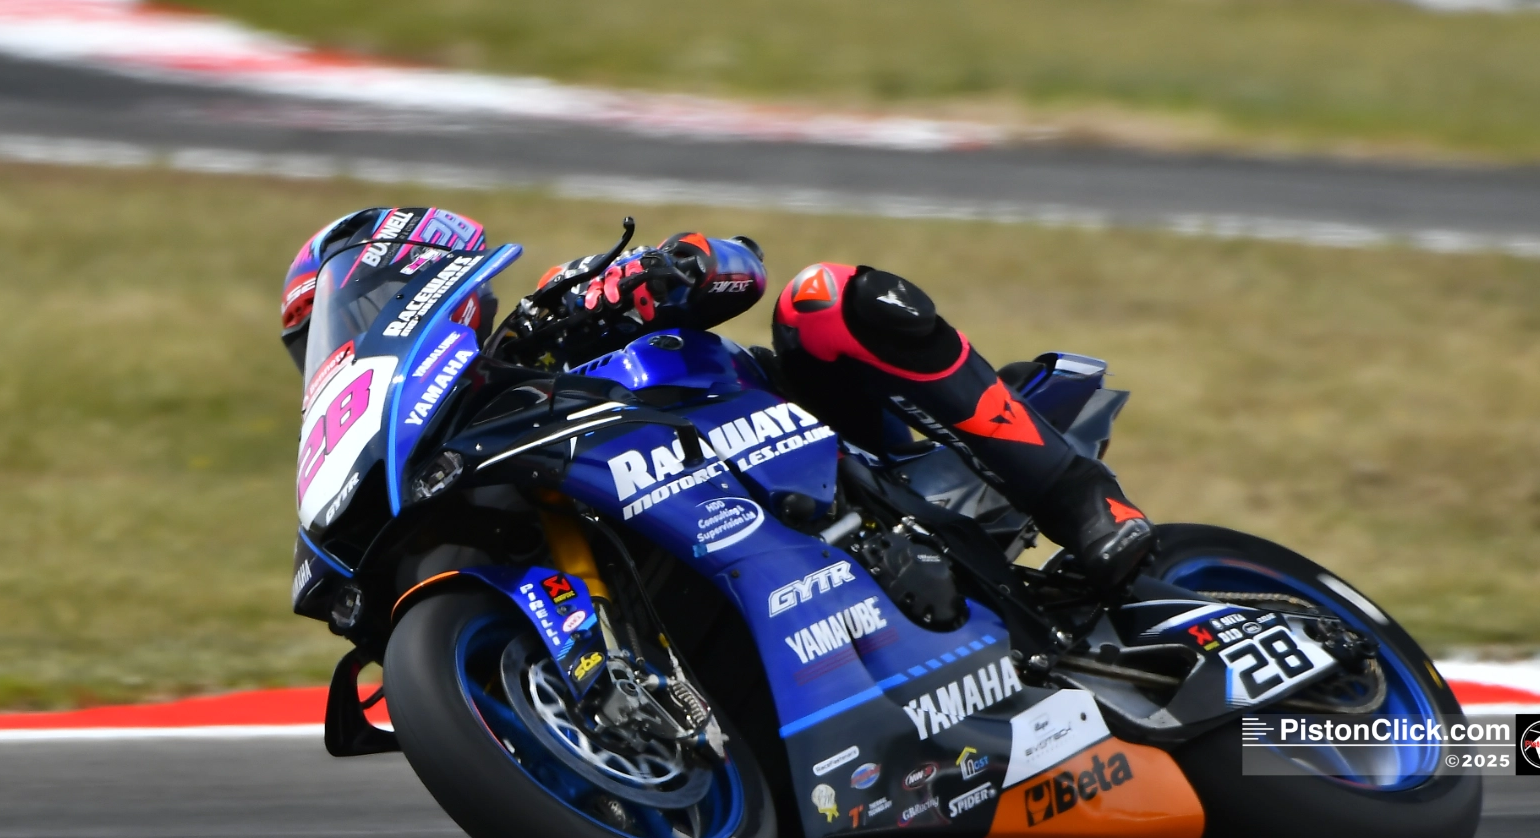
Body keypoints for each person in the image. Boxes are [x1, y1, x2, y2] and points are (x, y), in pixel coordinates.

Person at [282, 209, 1153, 588]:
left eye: (351, 312)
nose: (344, 343)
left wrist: (668, 269)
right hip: (684, 547)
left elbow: (736, 264)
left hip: (824, 456)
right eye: (318, 338)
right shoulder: (431, 454)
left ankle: (1082, 504)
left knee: (826, 295)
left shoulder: (552, 313)